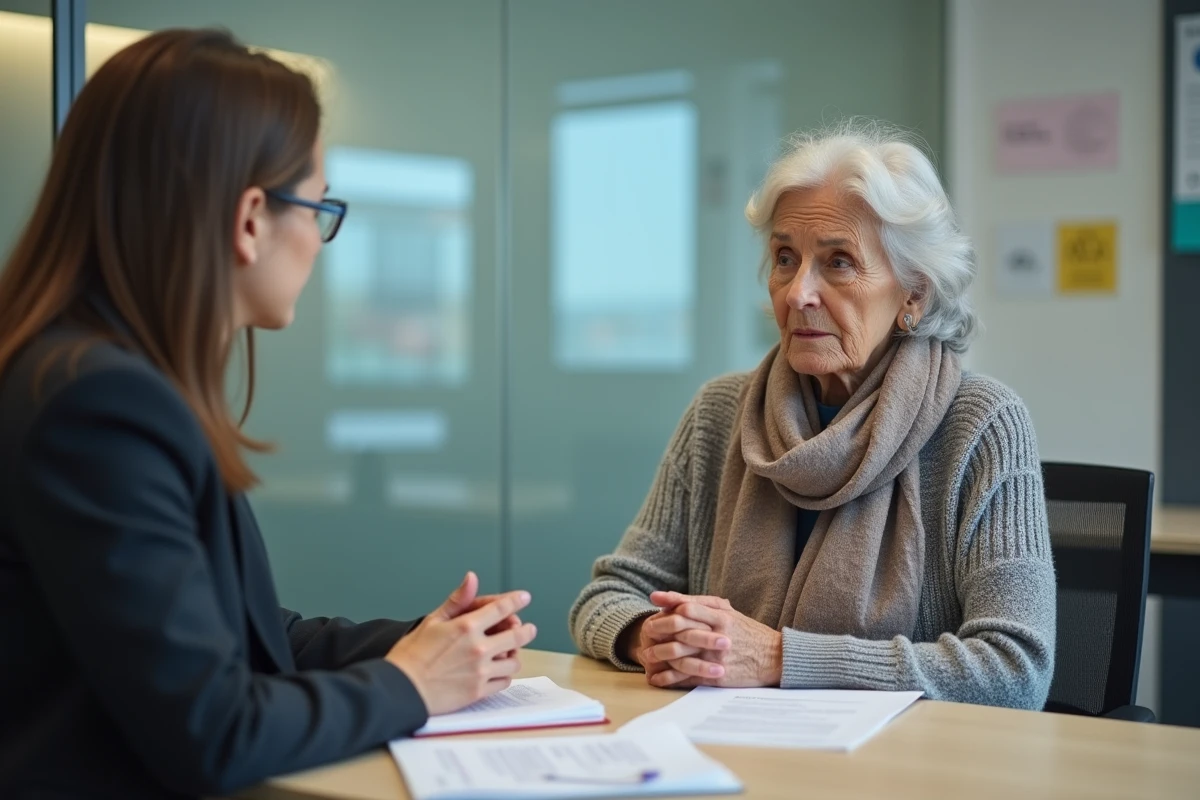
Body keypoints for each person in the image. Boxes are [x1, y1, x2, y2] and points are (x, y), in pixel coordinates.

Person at [0, 29, 536, 799]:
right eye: (318, 208)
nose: (320, 244)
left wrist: (424, 646)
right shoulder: (97, 404)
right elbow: (212, 728)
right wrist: (412, 686)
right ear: (251, 219)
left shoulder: (104, 379)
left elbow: (241, 635)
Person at [570, 122, 1055, 710]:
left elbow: (1015, 668)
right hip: (728, 749)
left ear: (914, 295)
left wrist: (779, 659)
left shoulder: (981, 425)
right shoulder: (719, 413)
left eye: (839, 262)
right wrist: (651, 635)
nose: (798, 292)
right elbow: (608, 595)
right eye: (784, 258)